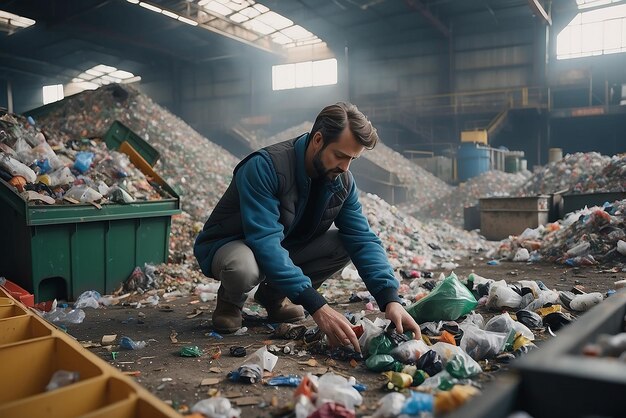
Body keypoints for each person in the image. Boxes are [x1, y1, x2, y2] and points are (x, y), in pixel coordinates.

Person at [194, 102, 420, 352]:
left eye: (352, 159)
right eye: (340, 155)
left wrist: (390, 299)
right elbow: (265, 241)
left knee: (343, 243)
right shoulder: (265, 166)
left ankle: (273, 297)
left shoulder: (342, 181)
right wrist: (318, 307)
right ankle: (230, 302)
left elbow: (362, 238)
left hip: (283, 244)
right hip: (234, 244)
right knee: (243, 268)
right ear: (318, 139)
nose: (345, 167)